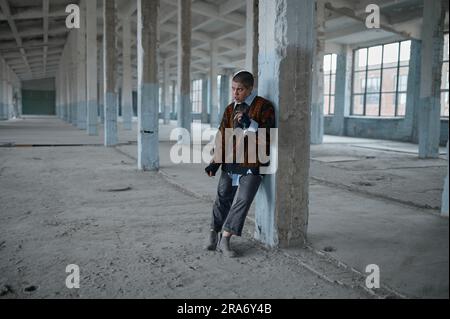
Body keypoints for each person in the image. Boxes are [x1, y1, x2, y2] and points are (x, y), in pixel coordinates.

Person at [204, 70, 275, 257]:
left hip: (253, 162)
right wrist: (215, 162)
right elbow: (222, 137)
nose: (235, 93)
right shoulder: (230, 108)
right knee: (222, 197)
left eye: (240, 89)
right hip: (230, 161)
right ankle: (214, 232)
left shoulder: (264, 107)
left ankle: (225, 238)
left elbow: (269, 136)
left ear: (250, 89)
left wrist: (249, 124)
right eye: (233, 89)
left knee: (244, 199)